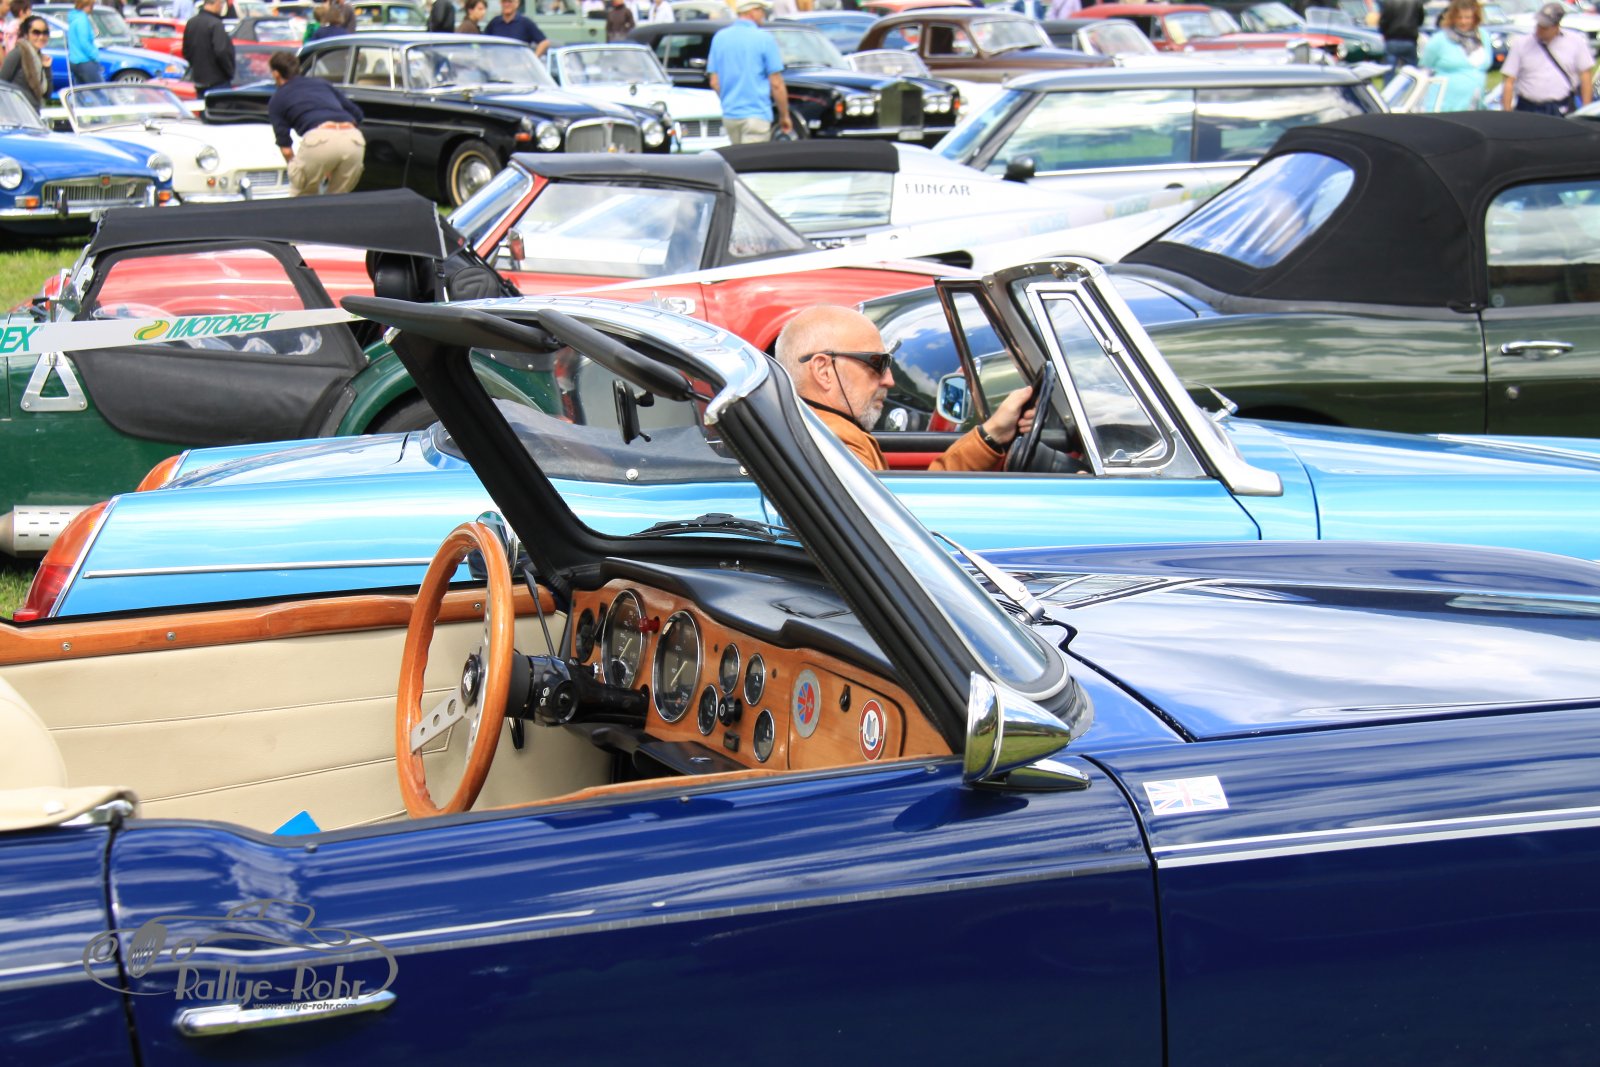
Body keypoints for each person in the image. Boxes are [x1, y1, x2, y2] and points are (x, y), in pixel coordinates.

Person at [775, 306, 1035, 473]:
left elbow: (905, 509)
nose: (889, 380)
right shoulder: (836, 445)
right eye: (877, 363)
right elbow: (909, 522)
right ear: (823, 370)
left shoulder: (820, 429)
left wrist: (992, 434)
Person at [267, 48, 365, 195]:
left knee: (302, 194)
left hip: (320, 139)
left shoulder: (278, 98)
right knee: (339, 199)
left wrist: (295, 169)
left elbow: (286, 148)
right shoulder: (321, 84)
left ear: (276, 73)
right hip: (353, 138)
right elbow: (357, 114)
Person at [707, 0, 790, 144]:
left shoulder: (719, 38)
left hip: (730, 115)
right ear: (752, 11)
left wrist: (729, 99)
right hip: (757, 113)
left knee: (736, 156)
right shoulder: (764, 39)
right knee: (753, 157)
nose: (763, 14)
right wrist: (784, 116)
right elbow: (776, 83)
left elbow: (715, 82)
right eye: (761, 10)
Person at [1501, 2, 1594, 115]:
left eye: (1544, 27)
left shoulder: (1575, 42)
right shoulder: (1522, 44)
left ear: (1556, 26)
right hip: (1528, 108)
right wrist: (1507, 113)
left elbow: (1585, 76)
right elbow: (1508, 80)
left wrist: (1586, 110)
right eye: (1539, 25)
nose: (1539, 30)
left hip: (1560, 108)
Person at [1420, 0, 1492, 110]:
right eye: (1459, 17)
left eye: (1468, 17)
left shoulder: (1483, 36)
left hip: (1475, 104)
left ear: (1475, 18)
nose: (1463, 21)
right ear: (1452, 18)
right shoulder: (1439, 39)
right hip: (1445, 105)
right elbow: (1425, 67)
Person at [182, 0, 235, 95]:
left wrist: (196, 66)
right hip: (218, 81)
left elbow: (186, 51)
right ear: (216, 3)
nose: (222, 7)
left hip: (199, 80)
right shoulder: (215, 24)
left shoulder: (191, 23)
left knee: (202, 103)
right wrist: (229, 71)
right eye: (221, 4)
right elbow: (222, 51)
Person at [0, 15, 51, 110]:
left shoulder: (40, 57)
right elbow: (2, 82)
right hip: (17, 111)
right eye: (36, 32)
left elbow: (47, 94)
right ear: (26, 34)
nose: (41, 37)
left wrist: (47, 68)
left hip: (33, 111)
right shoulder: (17, 53)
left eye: (45, 33)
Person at [484, 0, 549, 54]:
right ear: (500, 3)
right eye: (504, 2)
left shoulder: (525, 22)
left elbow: (544, 42)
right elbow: (484, 42)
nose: (506, 5)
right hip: (498, 63)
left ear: (517, 3)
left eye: (510, 2)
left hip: (519, 64)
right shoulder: (494, 22)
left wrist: (533, 59)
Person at [1378, 0, 1422, 71]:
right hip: (1409, 38)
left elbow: (1384, 20)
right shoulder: (1415, 2)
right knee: (1412, 70)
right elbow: (1420, 18)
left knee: (1389, 68)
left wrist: (1383, 32)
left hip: (1392, 38)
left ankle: (1389, 78)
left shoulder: (1389, 2)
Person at [66, 0, 100, 88]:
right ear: (87, 6)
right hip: (85, 61)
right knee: (98, 90)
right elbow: (84, 42)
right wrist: (94, 55)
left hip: (74, 61)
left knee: (81, 92)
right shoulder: (82, 20)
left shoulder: (74, 19)